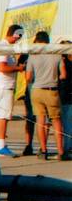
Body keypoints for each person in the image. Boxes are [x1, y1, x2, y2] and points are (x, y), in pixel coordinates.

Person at [25, 31, 68, 160]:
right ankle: (60, 151)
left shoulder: (32, 56)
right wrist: (56, 77)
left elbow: (28, 77)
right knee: (56, 121)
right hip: (51, 90)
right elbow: (64, 75)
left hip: (37, 90)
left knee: (40, 121)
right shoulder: (56, 55)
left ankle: (43, 150)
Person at [0, 24, 24, 157]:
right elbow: (3, 68)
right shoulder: (4, 48)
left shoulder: (3, 46)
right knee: (3, 116)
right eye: (18, 37)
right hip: (4, 86)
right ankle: (1, 145)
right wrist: (18, 68)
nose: (18, 40)